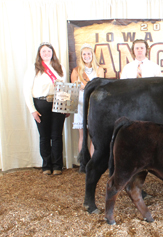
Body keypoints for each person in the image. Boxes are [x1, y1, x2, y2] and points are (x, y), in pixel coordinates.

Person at [23, 42, 68, 175]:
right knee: (44, 136)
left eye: (49, 51)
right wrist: (32, 109)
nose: (47, 54)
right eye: (44, 52)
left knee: (56, 135)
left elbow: (64, 87)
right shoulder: (34, 68)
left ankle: (57, 165)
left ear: (52, 53)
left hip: (58, 102)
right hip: (41, 103)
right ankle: (46, 165)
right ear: (39, 54)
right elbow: (27, 89)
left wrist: (66, 107)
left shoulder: (60, 67)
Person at [71, 43, 104, 156]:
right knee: (82, 135)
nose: (86, 56)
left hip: (94, 104)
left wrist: (84, 86)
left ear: (92, 55)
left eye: (88, 53)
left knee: (93, 135)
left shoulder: (99, 70)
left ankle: (92, 161)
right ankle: (83, 162)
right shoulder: (76, 71)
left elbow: (100, 87)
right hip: (81, 105)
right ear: (81, 56)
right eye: (84, 54)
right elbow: (73, 89)